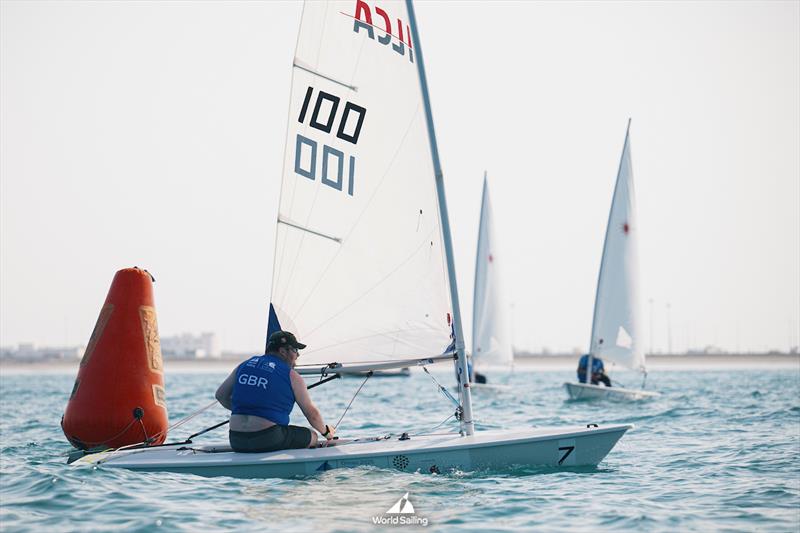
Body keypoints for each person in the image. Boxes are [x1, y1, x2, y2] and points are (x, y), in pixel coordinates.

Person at [215, 330, 336, 453]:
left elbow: (220, 396)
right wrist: (326, 432)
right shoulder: (292, 375)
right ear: (282, 351)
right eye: (295, 350)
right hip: (268, 439)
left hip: (236, 440)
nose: (298, 355)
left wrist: (247, 411)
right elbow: (312, 414)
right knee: (312, 436)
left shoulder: (244, 365)